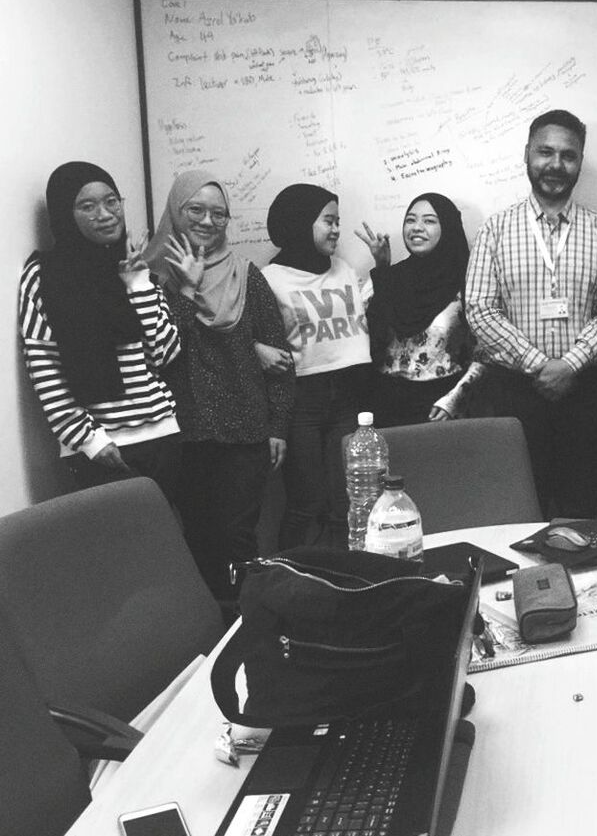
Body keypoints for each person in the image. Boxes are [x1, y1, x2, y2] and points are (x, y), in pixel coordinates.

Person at [465, 109, 597, 517]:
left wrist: (569, 365)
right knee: (517, 505)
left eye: (568, 156)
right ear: (527, 154)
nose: (556, 165)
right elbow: (479, 308)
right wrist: (540, 364)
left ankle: (580, 581)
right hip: (513, 389)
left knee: (580, 507)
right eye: (545, 152)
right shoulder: (495, 230)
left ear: (580, 162)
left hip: (584, 390)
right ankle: (524, 582)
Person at [149, 171, 294, 597]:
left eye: (219, 213)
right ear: (176, 211)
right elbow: (157, 352)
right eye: (196, 210)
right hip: (181, 433)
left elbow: (281, 358)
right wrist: (187, 290)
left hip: (244, 428)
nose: (208, 221)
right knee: (196, 541)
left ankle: (246, 628)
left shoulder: (246, 275)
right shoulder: (147, 279)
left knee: (237, 540)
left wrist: (278, 426)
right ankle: (212, 634)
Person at [19, 161, 182, 502]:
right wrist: (89, 440)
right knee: (119, 551)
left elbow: (164, 354)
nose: (106, 214)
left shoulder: (136, 268)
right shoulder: (44, 276)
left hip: (163, 434)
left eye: (112, 201)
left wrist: (138, 284)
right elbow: (44, 366)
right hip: (100, 446)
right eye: (87, 206)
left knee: (168, 547)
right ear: (65, 214)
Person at [261, 183, 371, 550]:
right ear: (299, 223)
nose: (336, 229)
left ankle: (344, 578)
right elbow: (251, 336)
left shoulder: (344, 269)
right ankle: (287, 580)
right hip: (301, 400)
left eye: (338, 221)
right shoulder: (269, 278)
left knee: (347, 503)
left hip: (348, 397)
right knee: (306, 503)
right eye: (328, 221)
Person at [359, 192, 486, 425]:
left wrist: (455, 399)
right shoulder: (388, 277)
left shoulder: (468, 283)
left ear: (447, 227)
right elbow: (367, 341)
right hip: (386, 403)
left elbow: (485, 353)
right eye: (411, 220)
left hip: (440, 407)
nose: (417, 227)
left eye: (429, 220)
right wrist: (382, 271)